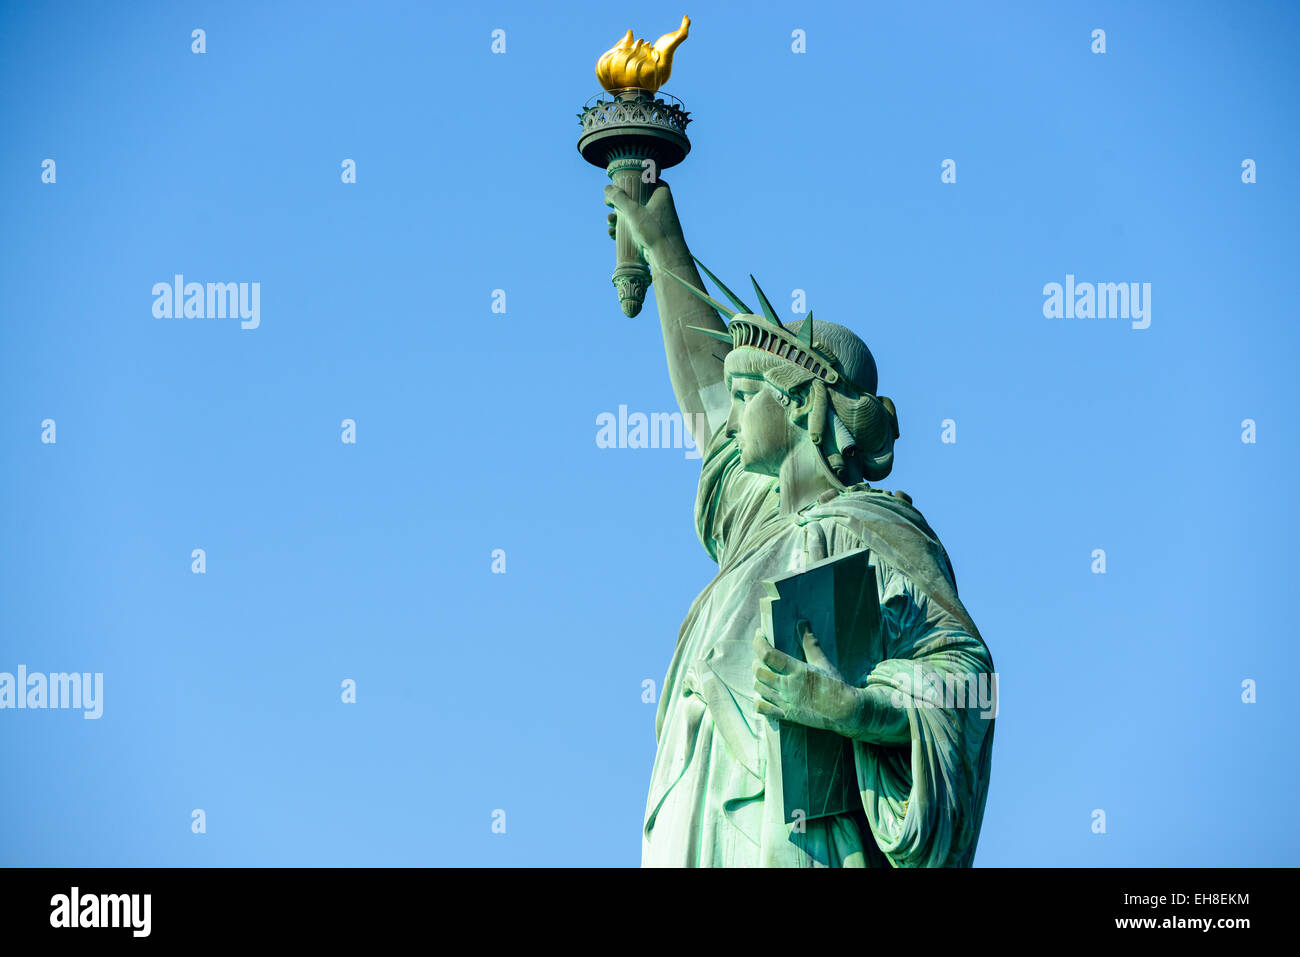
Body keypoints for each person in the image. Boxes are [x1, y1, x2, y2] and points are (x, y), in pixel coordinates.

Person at [604, 180, 996, 867]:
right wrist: (661, 240)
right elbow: (707, 400)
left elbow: (964, 674)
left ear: (802, 404)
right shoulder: (758, 527)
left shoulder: (869, 528)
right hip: (699, 828)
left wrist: (854, 708)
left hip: (798, 838)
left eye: (750, 391)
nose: (733, 409)